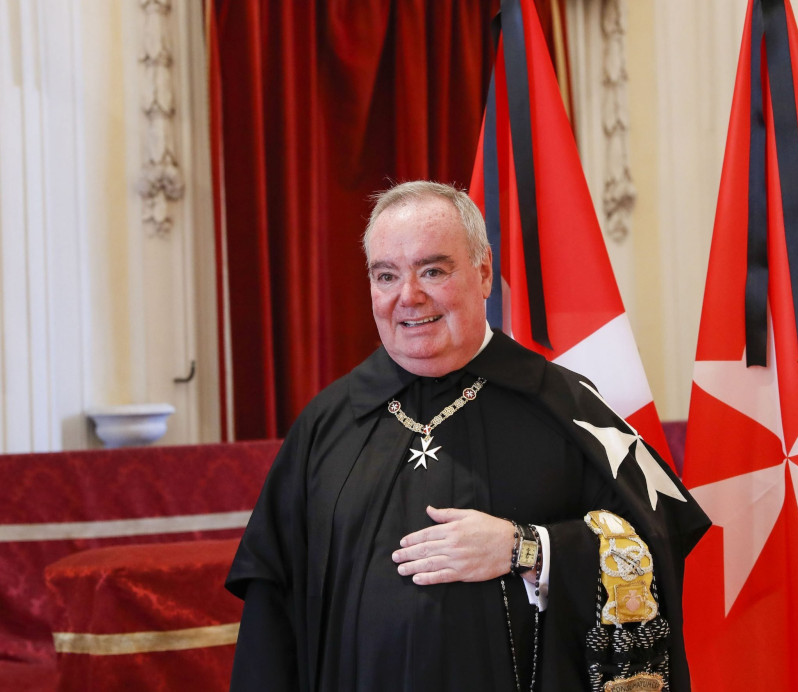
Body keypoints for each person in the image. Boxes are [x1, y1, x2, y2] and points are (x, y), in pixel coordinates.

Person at [226, 181, 710, 691]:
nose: (407, 297)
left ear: (482, 274)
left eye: (432, 270)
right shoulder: (326, 425)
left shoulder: (564, 407)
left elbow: (655, 543)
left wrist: (528, 550)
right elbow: (270, 616)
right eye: (386, 275)